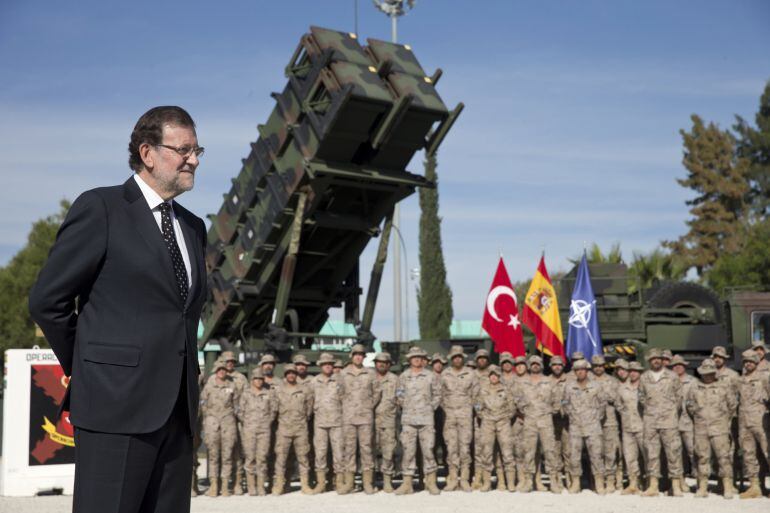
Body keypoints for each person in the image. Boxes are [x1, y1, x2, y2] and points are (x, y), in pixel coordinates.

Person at [29, 106, 207, 513]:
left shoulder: (194, 227)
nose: (193, 160)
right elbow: (47, 301)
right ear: (148, 152)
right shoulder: (101, 208)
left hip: (178, 417)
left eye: (197, 150)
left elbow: (182, 314)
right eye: (183, 150)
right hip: (114, 408)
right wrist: (92, 365)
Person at [685, 358, 738, 499]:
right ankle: (702, 487)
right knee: (702, 458)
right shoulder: (694, 387)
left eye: (710, 373)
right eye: (704, 373)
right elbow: (689, 406)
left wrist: (722, 419)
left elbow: (732, 406)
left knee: (723, 458)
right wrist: (699, 418)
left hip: (719, 429)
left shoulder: (724, 386)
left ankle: (727, 486)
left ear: (714, 373)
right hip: (701, 429)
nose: (707, 376)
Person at [512, 355, 563, 493]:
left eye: (538, 363)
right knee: (529, 451)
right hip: (529, 420)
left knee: (550, 451)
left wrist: (548, 411)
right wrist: (526, 411)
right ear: (529, 366)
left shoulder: (549, 381)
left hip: (546, 420)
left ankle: (554, 481)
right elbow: (517, 399)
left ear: (542, 365)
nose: (535, 365)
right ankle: (528, 481)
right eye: (533, 363)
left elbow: (557, 401)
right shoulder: (523, 383)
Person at [395, 346, 442, 495]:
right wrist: (408, 406)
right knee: (408, 452)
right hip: (408, 420)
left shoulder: (430, 376)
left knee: (428, 450)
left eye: (419, 357)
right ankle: (407, 484)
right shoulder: (403, 376)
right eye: (414, 357)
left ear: (423, 360)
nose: (416, 359)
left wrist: (429, 408)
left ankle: (431, 483)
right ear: (409, 359)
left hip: (426, 420)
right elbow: (399, 395)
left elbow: (438, 395)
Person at [638, 348, 684, 497]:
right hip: (650, 421)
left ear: (662, 360)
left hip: (669, 421)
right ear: (649, 361)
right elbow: (642, 398)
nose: (656, 361)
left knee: (673, 453)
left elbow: (679, 398)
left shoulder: (672, 376)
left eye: (658, 358)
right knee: (651, 453)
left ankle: (676, 485)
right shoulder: (644, 378)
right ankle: (653, 486)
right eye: (653, 359)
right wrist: (653, 410)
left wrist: (668, 410)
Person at [340, 344, 381, 494]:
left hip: (365, 418)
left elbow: (377, 392)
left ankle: (367, 483)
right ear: (351, 356)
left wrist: (369, 406)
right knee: (349, 450)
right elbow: (340, 393)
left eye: (361, 355)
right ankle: (349, 483)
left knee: (366, 450)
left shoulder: (370, 373)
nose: (358, 357)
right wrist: (347, 406)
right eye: (356, 354)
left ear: (364, 357)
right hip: (349, 418)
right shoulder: (343, 374)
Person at [562, 359, 607, 495]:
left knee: (596, 456)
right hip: (575, 426)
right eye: (577, 370)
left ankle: (599, 483)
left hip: (593, 426)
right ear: (575, 372)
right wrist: (572, 414)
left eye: (582, 369)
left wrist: (595, 417)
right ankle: (576, 483)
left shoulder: (596, 386)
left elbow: (603, 403)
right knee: (574, 456)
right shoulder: (569, 386)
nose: (580, 372)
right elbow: (564, 402)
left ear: (587, 371)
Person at [440, 345, 479, 492]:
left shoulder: (471, 373)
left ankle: (464, 480)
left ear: (463, 358)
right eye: (454, 357)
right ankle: (452, 479)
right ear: (451, 359)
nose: (457, 359)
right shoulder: (445, 374)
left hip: (465, 417)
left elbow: (476, 395)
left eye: (459, 357)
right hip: (449, 417)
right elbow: (440, 395)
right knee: (451, 448)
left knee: (465, 448)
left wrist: (470, 409)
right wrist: (448, 409)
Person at [272, 364, 314, 496]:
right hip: (284, 429)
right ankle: (279, 485)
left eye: (293, 373)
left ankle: (305, 485)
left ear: (296, 374)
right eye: (288, 373)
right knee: (281, 458)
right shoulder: (278, 391)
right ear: (285, 375)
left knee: (303, 457)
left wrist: (301, 419)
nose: (291, 375)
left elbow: (309, 409)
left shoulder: (304, 390)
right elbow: (274, 409)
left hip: (300, 428)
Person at [475, 365, 516, 493]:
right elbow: (477, 404)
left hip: (503, 423)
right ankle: (487, 483)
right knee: (486, 453)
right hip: (487, 423)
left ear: (499, 376)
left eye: (496, 375)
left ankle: (510, 483)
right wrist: (482, 415)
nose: (493, 377)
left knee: (507, 453)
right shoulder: (483, 389)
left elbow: (512, 406)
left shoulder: (506, 389)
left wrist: (507, 417)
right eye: (491, 375)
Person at [201, 359, 238, 497]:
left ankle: (225, 485)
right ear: (215, 371)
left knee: (227, 455)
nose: (222, 371)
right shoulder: (209, 385)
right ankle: (214, 485)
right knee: (213, 456)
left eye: (224, 369)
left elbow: (237, 404)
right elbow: (203, 402)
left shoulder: (232, 385)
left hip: (228, 423)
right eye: (219, 369)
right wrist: (208, 419)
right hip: (212, 423)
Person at [736, 349, 770, 499]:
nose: (748, 364)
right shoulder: (740, 380)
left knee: (767, 452)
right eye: (746, 362)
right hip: (744, 423)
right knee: (749, 455)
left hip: (761, 423)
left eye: (751, 361)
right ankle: (755, 486)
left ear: (756, 363)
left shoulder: (764, 378)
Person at [310, 353, 345, 494]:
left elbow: (345, 400)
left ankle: (340, 481)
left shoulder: (339, 381)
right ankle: (321, 483)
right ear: (320, 366)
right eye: (325, 364)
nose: (328, 366)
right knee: (320, 453)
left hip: (337, 422)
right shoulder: (314, 382)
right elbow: (309, 401)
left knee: (339, 453)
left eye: (330, 364)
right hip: (320, 423)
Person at [237, 368, 276, 496]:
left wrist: (265, 422)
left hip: (264, 430)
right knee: (250, 458)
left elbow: (273, 411)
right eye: (256, 379)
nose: (258, 381)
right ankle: (251, 486)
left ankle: (260, 486)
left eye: (260, 379)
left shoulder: (268, 393)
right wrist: (248, 423)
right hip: (249, 430)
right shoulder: (246, 393)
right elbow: (240, 412)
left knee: (262, 458)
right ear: (252, 380)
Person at [217, 351, 247, 495]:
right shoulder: (216, 378)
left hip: (238, 419)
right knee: (218, 451)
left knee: (238, 451)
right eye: (227, 361)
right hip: (222, 420)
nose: (229, 363)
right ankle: (218, 483)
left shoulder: (240, 378)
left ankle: (238, 482)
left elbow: (246, 397)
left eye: (232, 361)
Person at [590, 354, 621, 493]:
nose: (598, 368)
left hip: (609, 421)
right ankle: (597, 479)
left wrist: (599, 396)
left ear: (604, 366)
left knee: (610, 452)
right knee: (595, 452)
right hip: (591, 421)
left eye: (600, 366)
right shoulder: (587, 380)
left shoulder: (613, 381)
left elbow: (615, 397)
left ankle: (610, 480)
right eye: (595, 366)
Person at [615, 361, 645, 495]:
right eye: (630, 370)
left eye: (635, 371)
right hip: (627, 427)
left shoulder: (645, 386)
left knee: (647, 456)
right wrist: (626, 414)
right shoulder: (622, 388)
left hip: (643, 426)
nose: (632, 373)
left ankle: (648, 482)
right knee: (630, 456)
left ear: (640, 372)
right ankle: (633, 483)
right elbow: (618, 404)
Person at [373, 352, 399, 493]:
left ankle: (387, 481)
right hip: (370, 422)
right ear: (375, 363)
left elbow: (401, 398)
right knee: (370, 452)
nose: (381, 364)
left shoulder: (395, 380)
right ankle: (372, 481)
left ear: (389, 365)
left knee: (388, 452)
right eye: (378, 362)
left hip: (388, 421)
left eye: (384, 362)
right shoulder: (369, 378)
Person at [670, 355, 696, 477]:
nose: (678, 367)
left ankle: (698, 476)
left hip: (688, 421)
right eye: (675, 365)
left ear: (685, 366)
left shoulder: (692, 381)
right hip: (671, 423)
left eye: (680, 365)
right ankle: (680, 477)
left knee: (692, 450)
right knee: (675, 452)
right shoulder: (668, 381)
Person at [549, 355, 571, 489]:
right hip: (551, 421)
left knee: (568, 450)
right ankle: (556, 477)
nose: (557, 367)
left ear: (563, 366)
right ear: (550, 367)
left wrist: (565, 405)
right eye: (554, 365)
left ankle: (569, 477)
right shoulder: (546, 381)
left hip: (567, 421)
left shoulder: (570, 380)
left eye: (559, 365)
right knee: (554, 450)